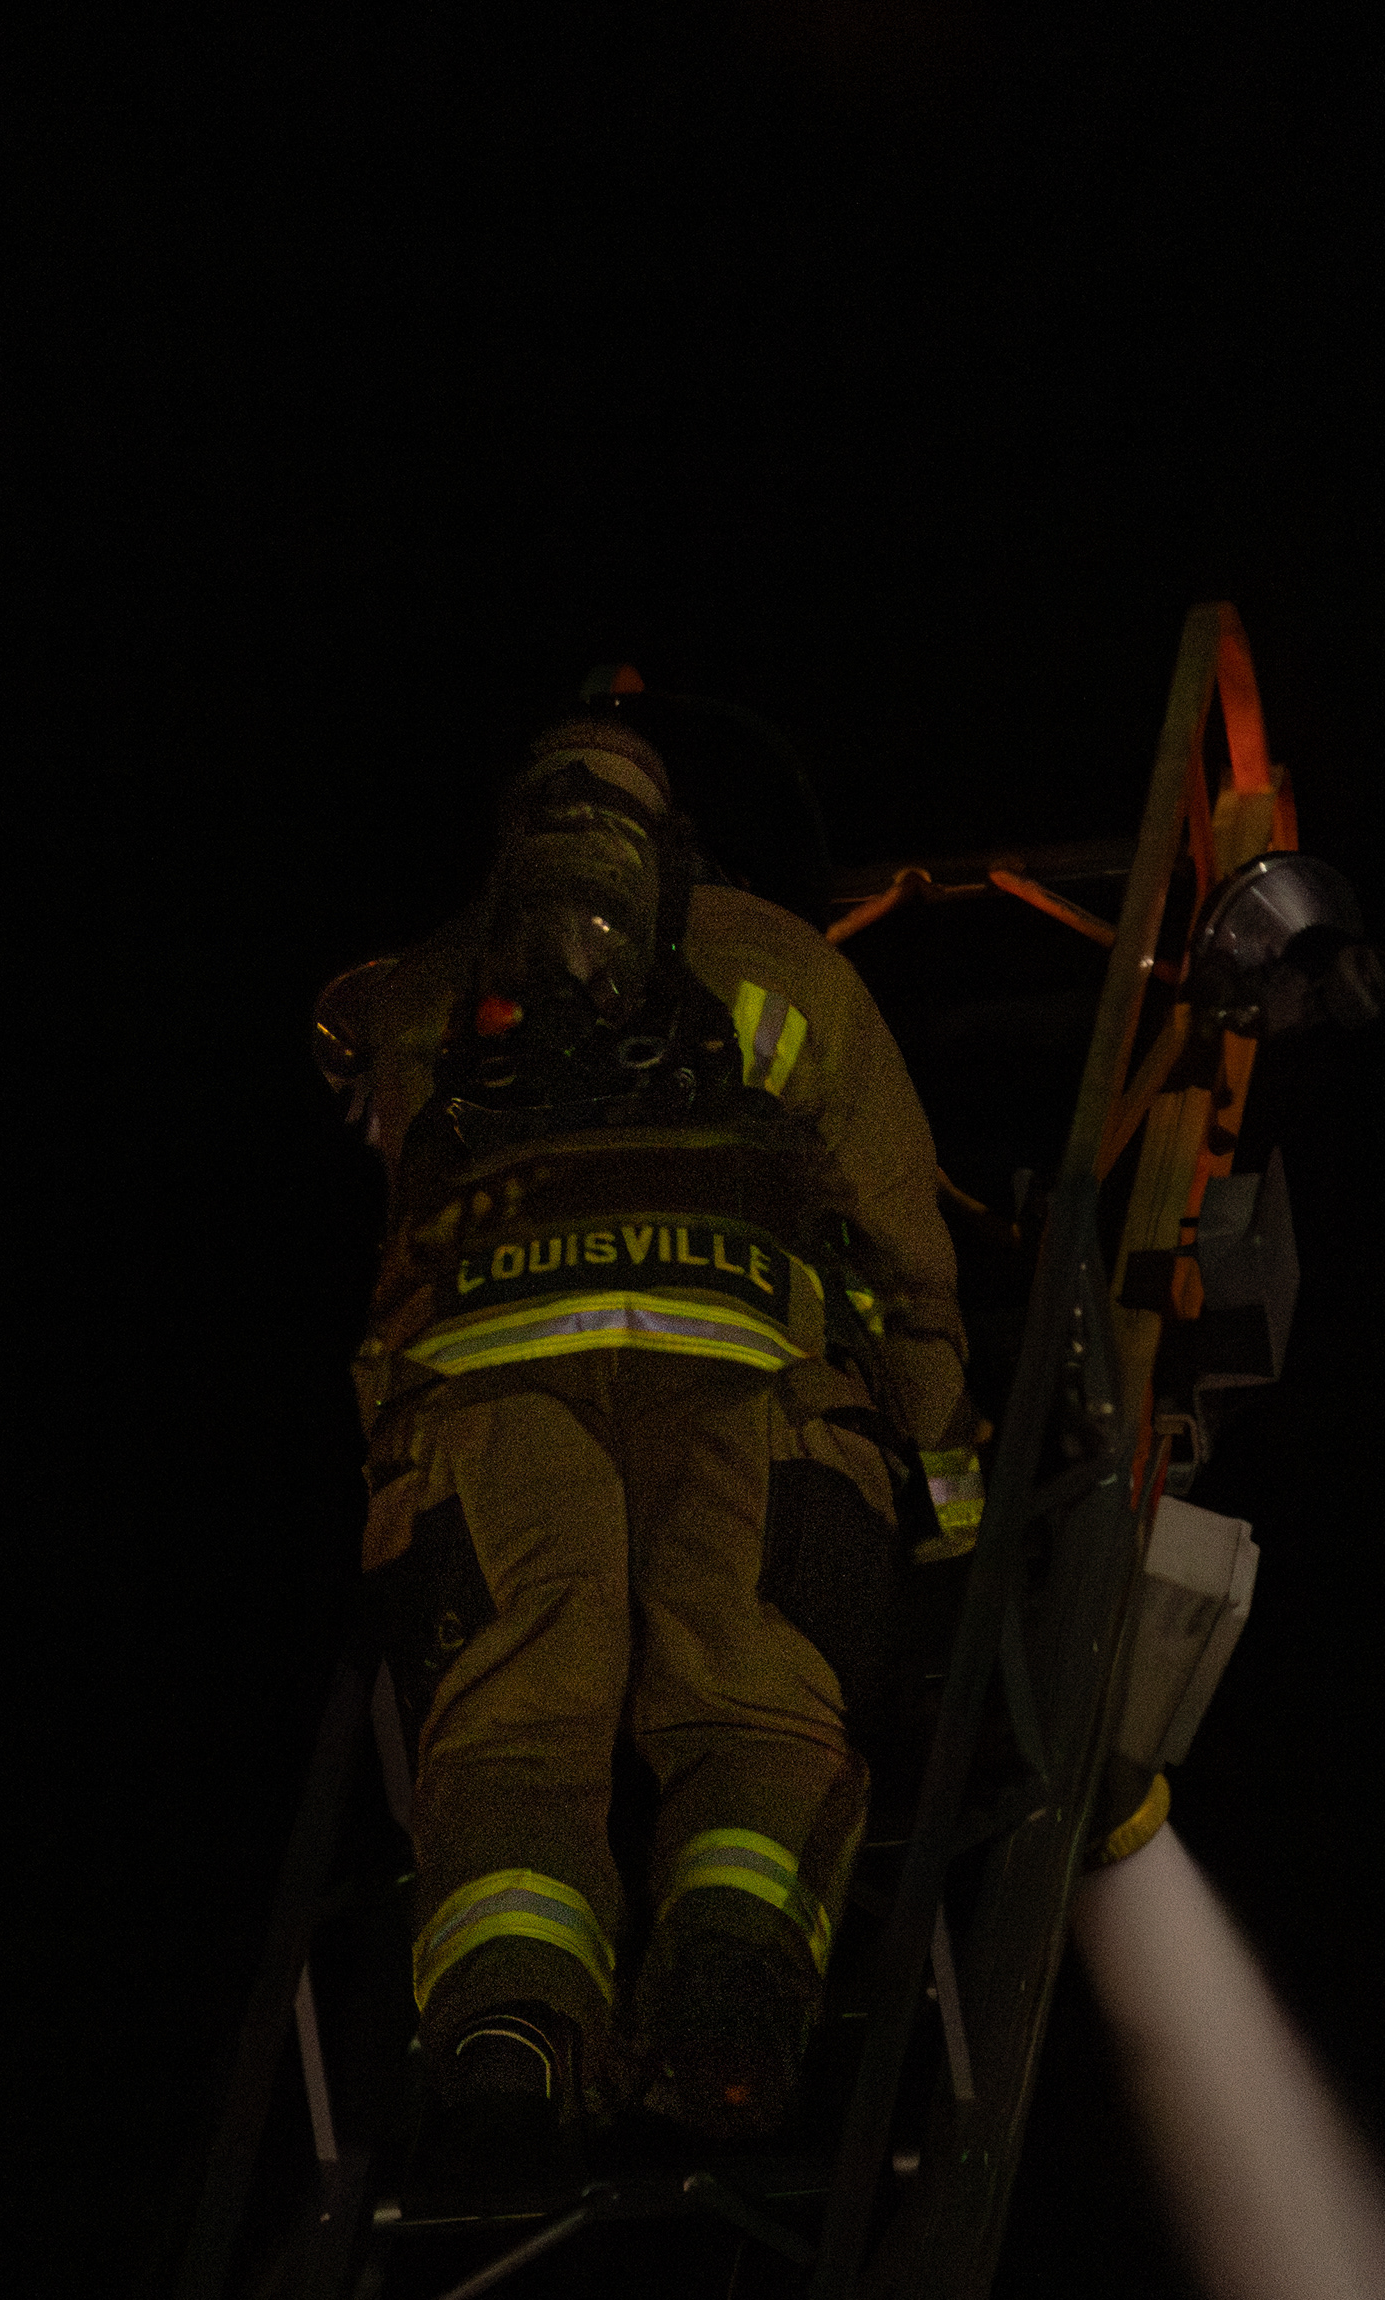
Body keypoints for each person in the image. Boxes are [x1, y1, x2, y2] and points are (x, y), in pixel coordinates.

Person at [312, 712, 982, 2158]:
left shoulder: (428, 985)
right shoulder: (790, 965)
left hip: (485, 1395)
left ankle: (511, 2022)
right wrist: (952, 1500)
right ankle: (730, 1980)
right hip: (739, 1376)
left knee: (507, 1732)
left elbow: (397, 1236)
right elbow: (906, 1257)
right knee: (750, 1703)